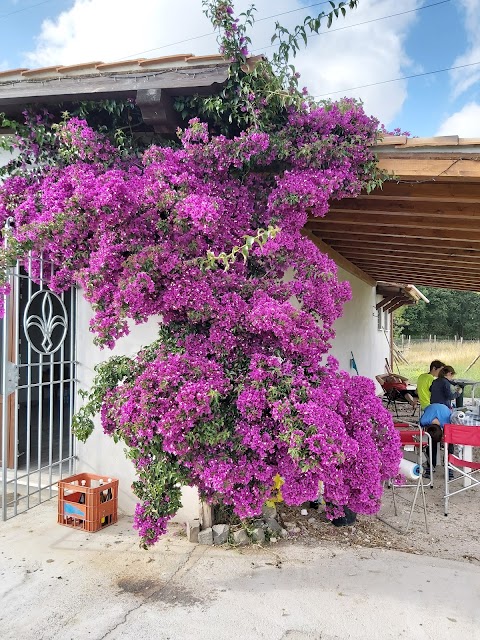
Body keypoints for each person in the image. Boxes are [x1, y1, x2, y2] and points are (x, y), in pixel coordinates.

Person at [419, 403, 454, 478]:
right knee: (431, 442)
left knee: (449, 443)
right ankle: (431, 465)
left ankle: (449, 466)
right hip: (431, 408)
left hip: (444, 409)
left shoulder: (447, 422)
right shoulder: (424, 420)